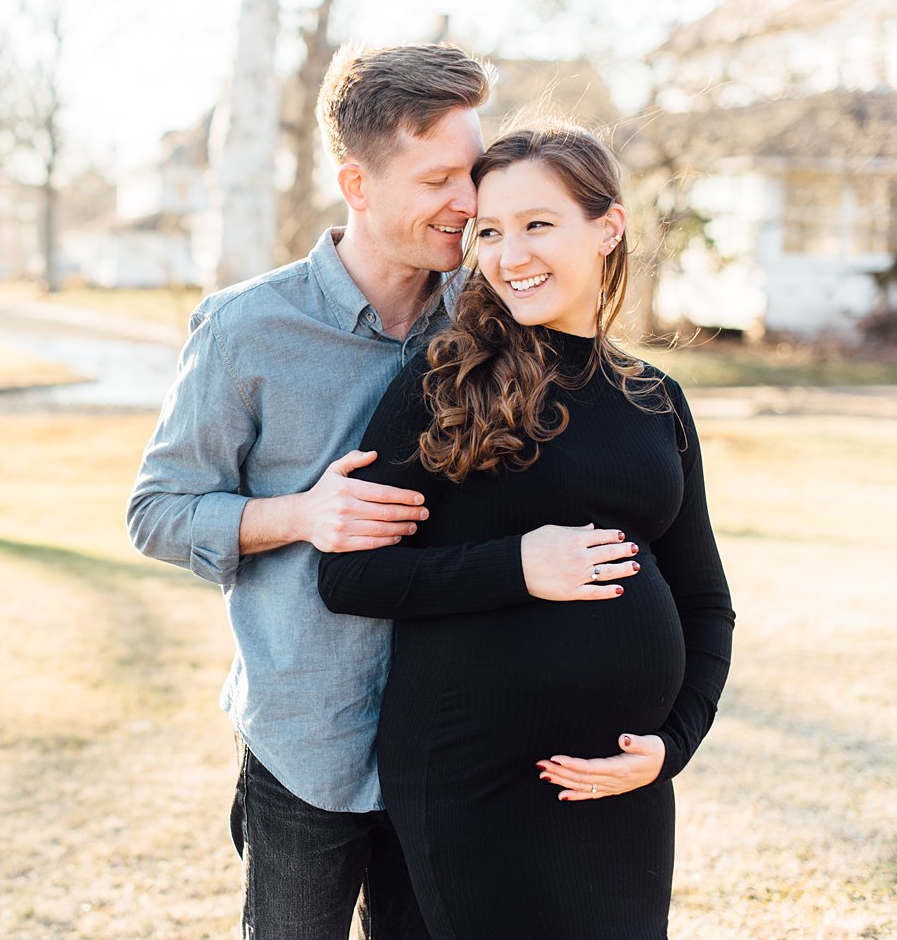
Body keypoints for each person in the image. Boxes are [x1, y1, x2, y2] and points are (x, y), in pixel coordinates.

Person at [126, 46, 636, 938]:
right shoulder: (247, 328)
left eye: (469, 174)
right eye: (438, 178)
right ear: (356, 184)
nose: (469, 203)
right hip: (307, 741)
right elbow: (156, 511)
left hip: (456, 743)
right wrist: (297, 514)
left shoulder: (491, 316)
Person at [317, 124, 736, 939]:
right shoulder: (446, 378)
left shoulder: (656, 398)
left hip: (622, 793)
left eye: (537, 224)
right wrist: (518, 567)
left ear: (608, 226)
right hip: (473, 780)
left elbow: (705, 600)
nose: (510, 255)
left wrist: (671, 745)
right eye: (491, 231)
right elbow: (351, 577)